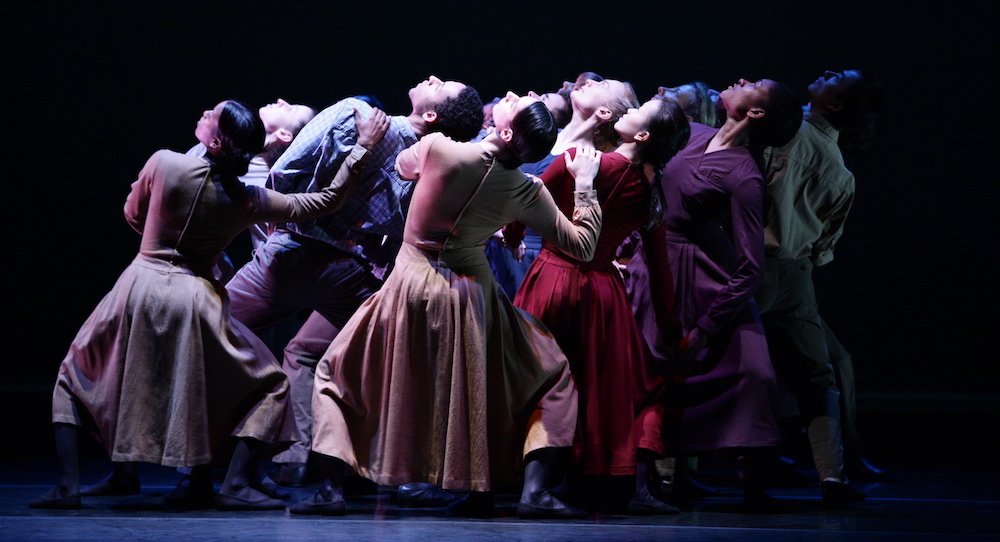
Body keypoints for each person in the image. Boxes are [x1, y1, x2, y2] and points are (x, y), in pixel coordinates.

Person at [29, 99, 377, 511]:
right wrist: (361, 151)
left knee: (77, 375)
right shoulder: (249, 199)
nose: (203, 114)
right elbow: (325, 201)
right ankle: (232, 482)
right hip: (196, 292)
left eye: (210, 115)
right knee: (268, 382)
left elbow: (132, 213)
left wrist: (158, 240)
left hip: (140, 284)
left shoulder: (165, 164)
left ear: (215, 140)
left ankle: (69, 486)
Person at [291, 92, 602, 520]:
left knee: (336, 372)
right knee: (541, 376)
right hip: (473, 296)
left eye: (509, 105)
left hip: (410, 286)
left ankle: (330, 488)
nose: (508, 96)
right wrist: (585, 184)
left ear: (505, 130)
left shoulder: (440, 148)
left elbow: (403, 168)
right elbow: (583, 245)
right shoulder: (525, 189)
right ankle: (526, 492)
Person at [224, 77, 484, 486]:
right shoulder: (440, 167)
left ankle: (214, 468)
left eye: (441, 84)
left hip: (295, 253)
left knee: (210, 333)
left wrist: (278, 230)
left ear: (431, 114)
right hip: (354, 273)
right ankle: (308, 467)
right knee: (331, 363)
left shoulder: (354, 114)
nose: (431, 77)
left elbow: (283, 171)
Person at [630, 78, 803, 512]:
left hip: (704, 274)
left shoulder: (744, 174)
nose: (741, 80)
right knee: (647, 372)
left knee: (754, 372)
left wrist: (707, 330)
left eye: (754, 85)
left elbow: (752, 264)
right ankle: (641, 481)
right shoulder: (691, 133)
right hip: (653, 264)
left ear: (756, 114)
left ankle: (752, 480)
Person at [511, 99, 690, 514]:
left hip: (553, 278)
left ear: (643, 136)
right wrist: (671, 330)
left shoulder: (582, 160)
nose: (632, 107)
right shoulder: (650, 188)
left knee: (543, 382)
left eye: (642, 109)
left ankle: (530, 484)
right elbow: (661, 269)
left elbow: (528, 195)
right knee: (615, 386)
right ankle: (621, 483)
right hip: (603, 294)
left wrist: (513, 231)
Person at [755, 69, 885, 499]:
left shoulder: (784, 135)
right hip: (795, 274)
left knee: (708, 361)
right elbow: (825, 245)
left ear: (835, 105)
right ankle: (833, 474)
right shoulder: (841, 173)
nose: (826, 72)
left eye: (836, 78)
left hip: (751, 266)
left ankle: (669, 472)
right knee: (817, 375)